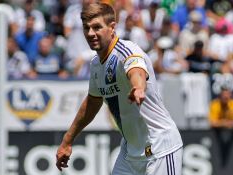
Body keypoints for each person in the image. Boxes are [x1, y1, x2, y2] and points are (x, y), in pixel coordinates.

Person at [56, 2, 183, 175]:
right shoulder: (95, 64)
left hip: (160, 147)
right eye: (87, 28)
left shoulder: (127, 51)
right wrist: (67, 140)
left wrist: (138, 88)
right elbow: (93, 101)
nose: (91, 33)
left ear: (112, 27)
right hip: (131, 151)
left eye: (97, 27)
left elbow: (136, 71)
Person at [208, 86, 233, 167]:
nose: (226, 97)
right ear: (220, 96)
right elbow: (212, 123)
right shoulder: (215, 104)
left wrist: (222, 123)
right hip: (216, 135)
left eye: (228, 95)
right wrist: (226, 123)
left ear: (231, 96)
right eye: (224, 95)